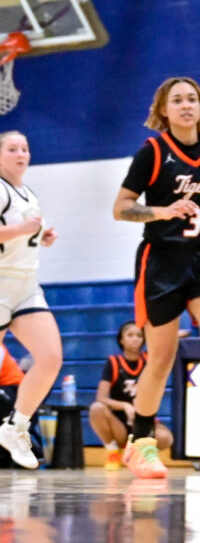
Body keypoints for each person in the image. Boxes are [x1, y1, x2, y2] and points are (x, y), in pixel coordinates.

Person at [113, 77, 200, 479]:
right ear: (164, 111)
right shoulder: (152, 152)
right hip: (162, 261)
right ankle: (141, 443)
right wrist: (162, 212)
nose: (186, 105)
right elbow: (121, 208)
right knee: (162, 357)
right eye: (177, 100)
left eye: (192, 99)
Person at [0, 131, 61, 469]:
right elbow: (14, 230)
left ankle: (15, 426)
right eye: (12, 149)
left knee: (50, 358)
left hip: (25, 285)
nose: (21, 154)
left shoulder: (28, 193)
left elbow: (23, 233)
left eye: (24, 148)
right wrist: (23, 230)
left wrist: (41, 235)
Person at [89, 321, 173, 470]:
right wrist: (125, 406)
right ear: (121, 340)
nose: (135, 339)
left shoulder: (150, 360)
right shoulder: (113, 362)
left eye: (139, 335)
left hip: (144, 418)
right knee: (96, 409)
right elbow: (101, 398)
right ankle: (112, 451)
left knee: (166, 438)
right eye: (130, 335)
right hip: (120, 424)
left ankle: (141, 453)